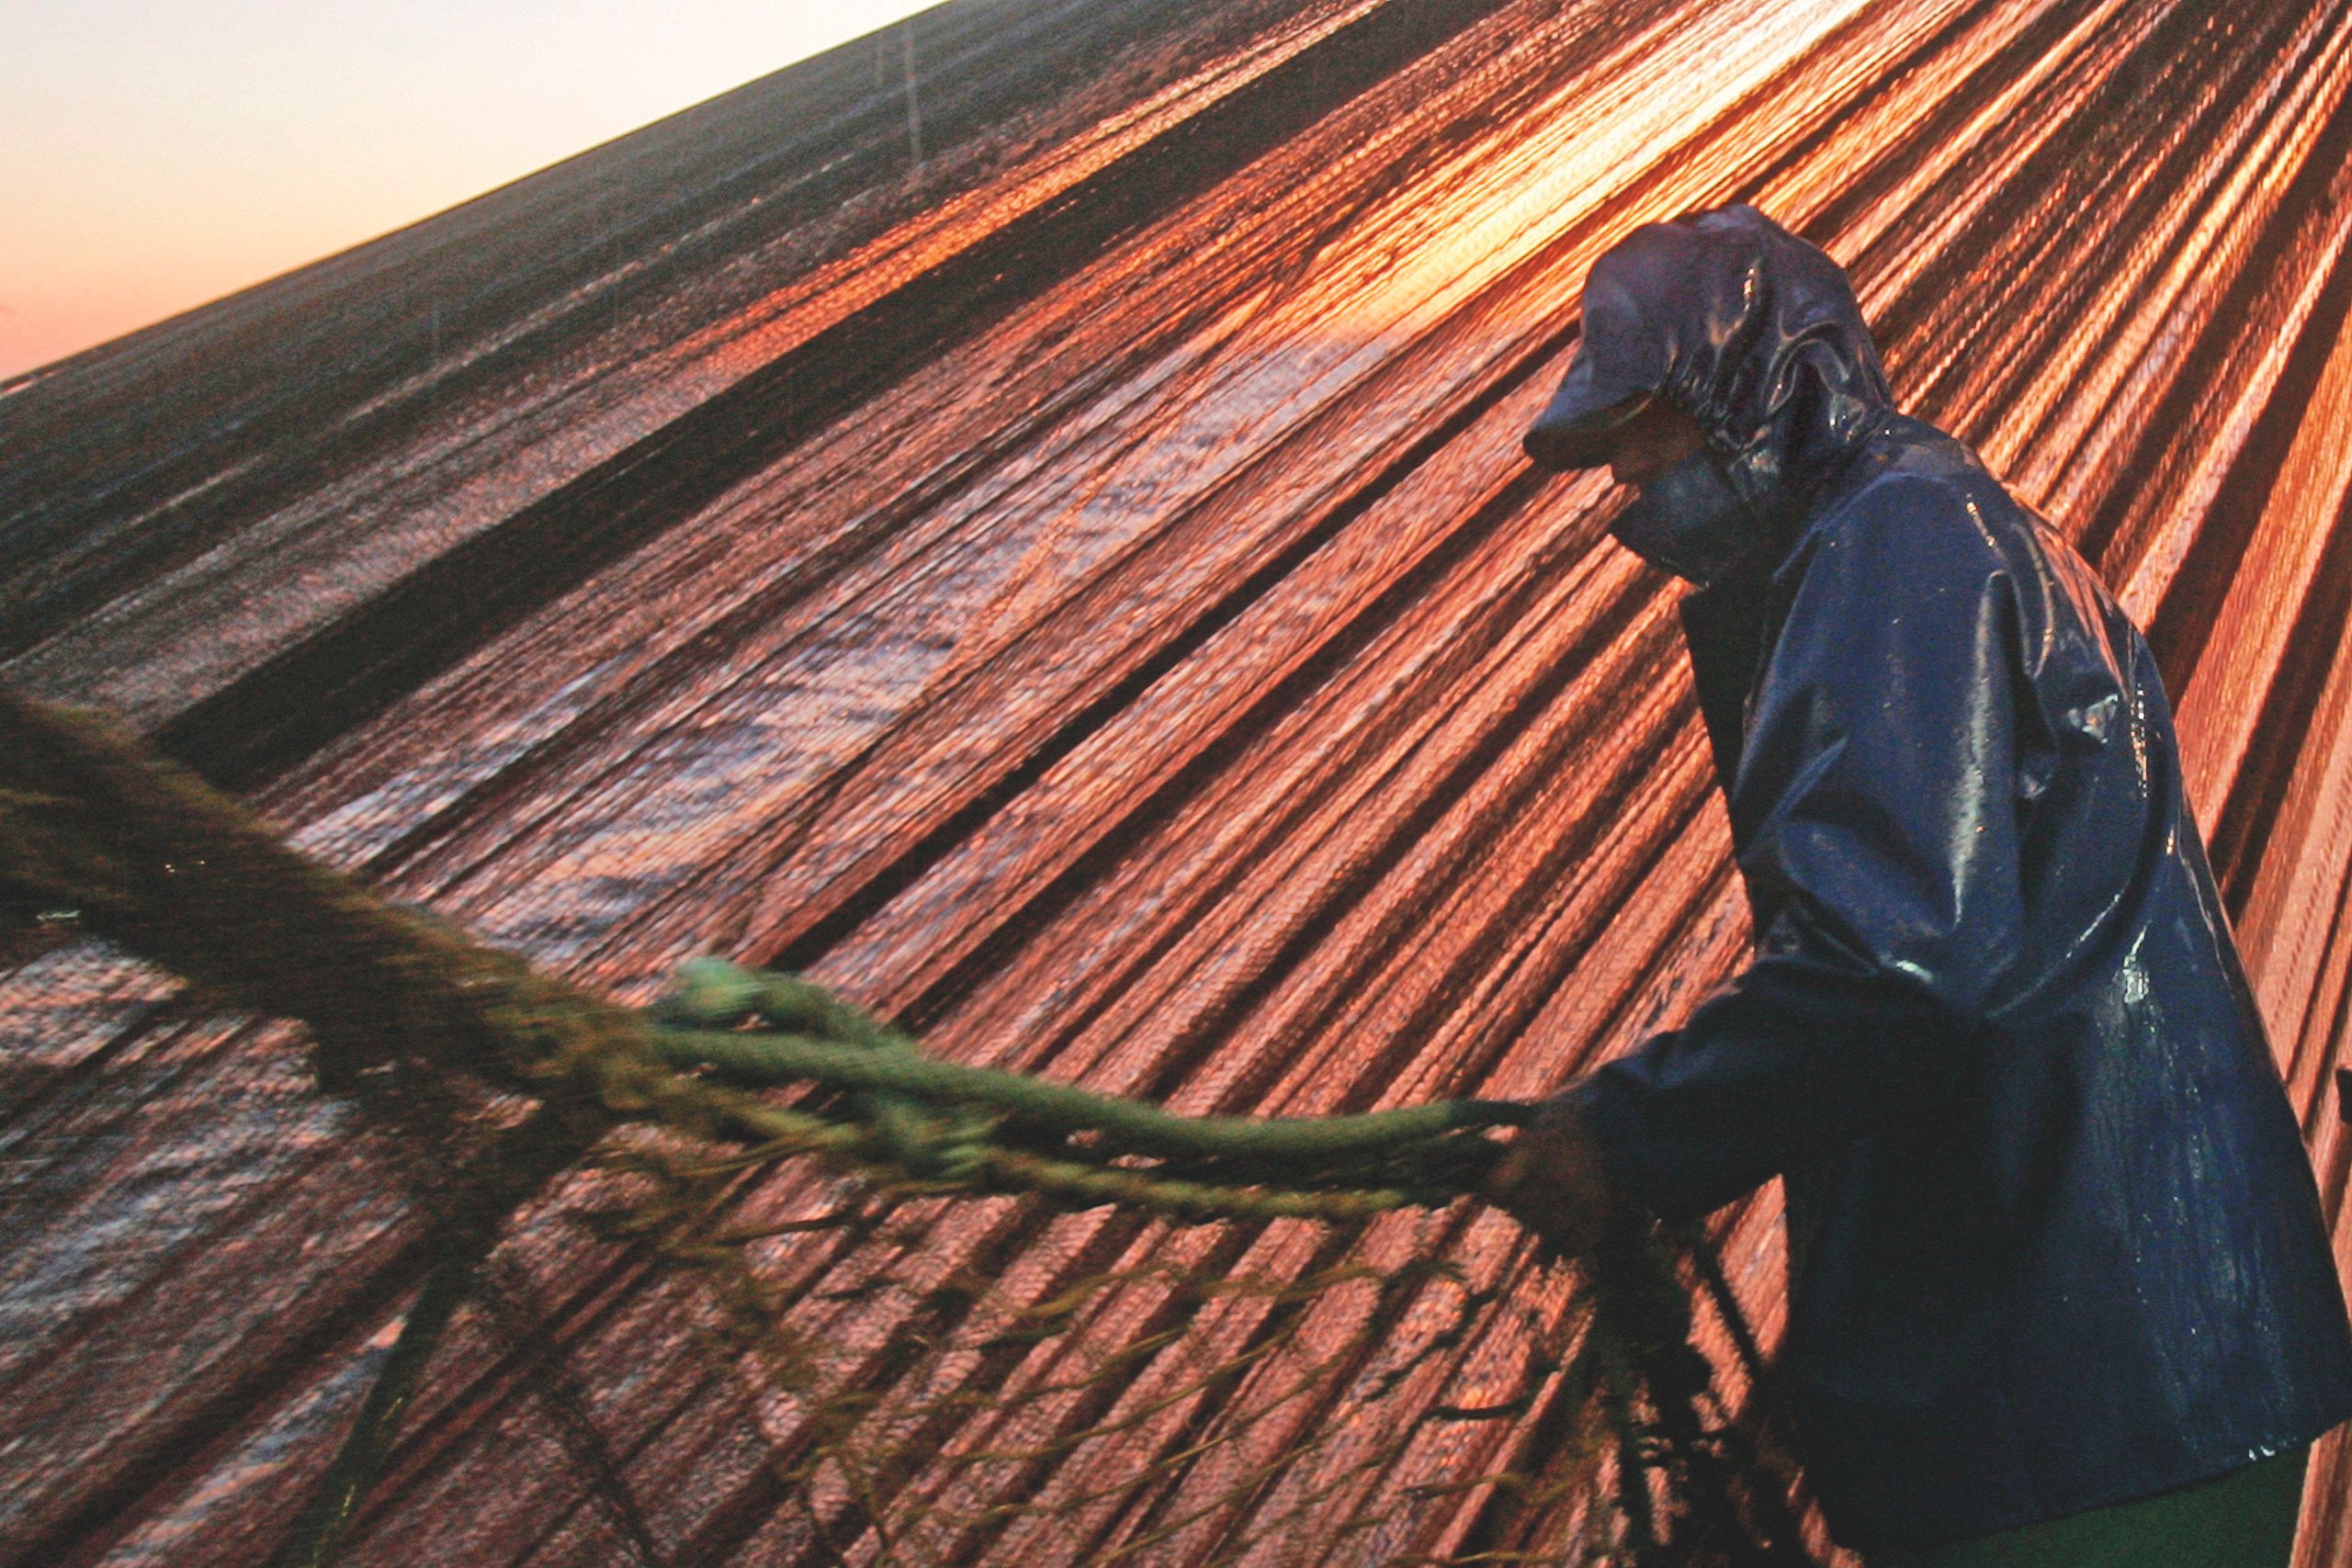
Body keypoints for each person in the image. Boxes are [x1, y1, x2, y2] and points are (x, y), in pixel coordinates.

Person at [1483, 204, 2352, 1564]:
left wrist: (1630, 1132)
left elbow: (1890, 966)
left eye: (1643, 427)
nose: (1626, 484)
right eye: (1605, 454)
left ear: (1766, 385)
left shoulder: (1893, 539)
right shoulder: (1953, 531)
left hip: (2086, 1389)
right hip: (2158, 1361)